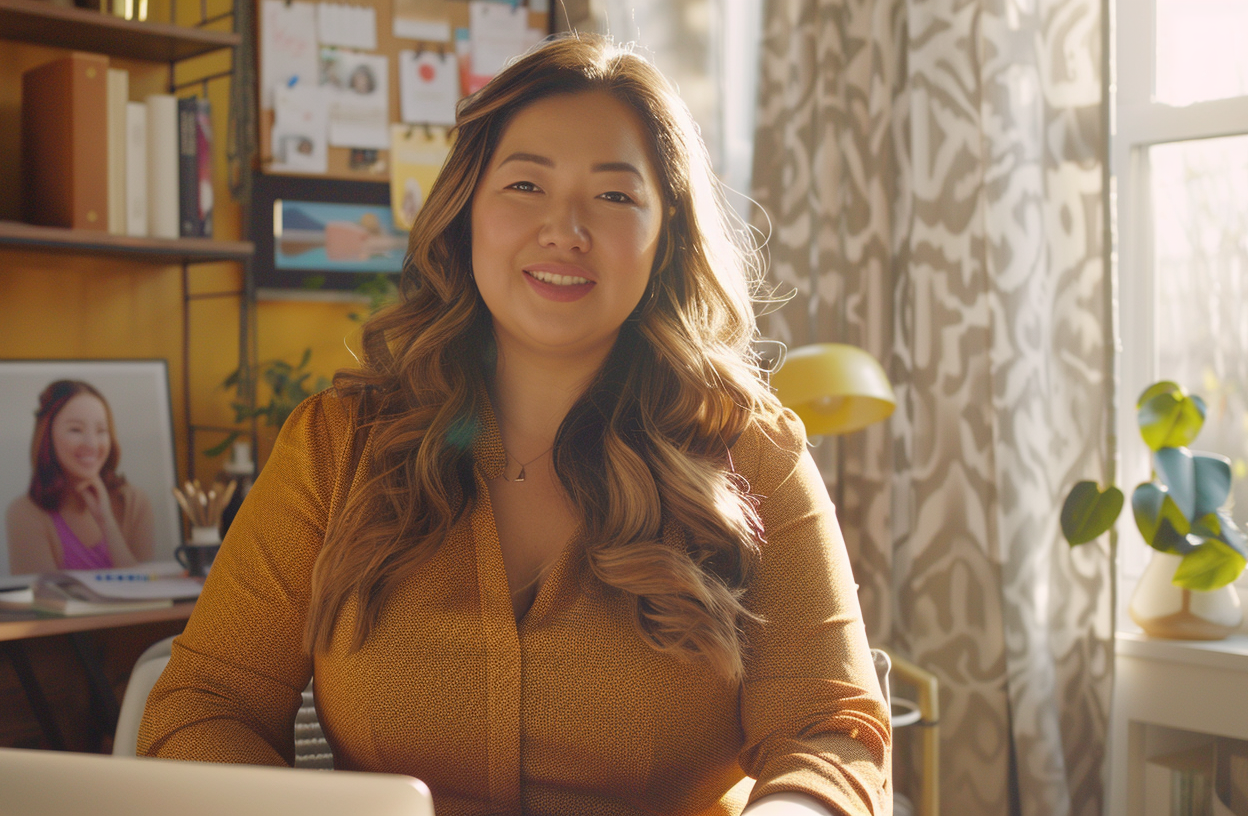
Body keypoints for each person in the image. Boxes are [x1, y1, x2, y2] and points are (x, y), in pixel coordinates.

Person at [140, 35, 891, 816]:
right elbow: (203, 703)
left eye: (614, 196)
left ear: (666, 237)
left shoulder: (753, 454)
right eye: (526, 184)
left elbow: (831, 733)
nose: (564, 229)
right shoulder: (338, 447)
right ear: (466, 213)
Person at [6, 380, 155, 574]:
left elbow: (147, 591)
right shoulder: (25, 512)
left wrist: (106, 521)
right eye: (75, 430)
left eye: (101, 431)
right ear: (47, 437)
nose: (91, 443)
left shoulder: (135, 502)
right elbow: (44, 599)